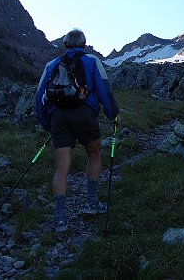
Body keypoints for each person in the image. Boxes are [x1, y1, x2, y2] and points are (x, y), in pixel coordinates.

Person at [36, 29, 121, 233]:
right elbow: (104, 89)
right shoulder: (92, 61)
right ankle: (92, 203)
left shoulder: (52, 65)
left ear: (65, 45)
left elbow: (40, 95)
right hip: (84, 115)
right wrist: (114, 115)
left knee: (61, 167)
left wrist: (48, 123)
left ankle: (60, 218)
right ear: (84, 44)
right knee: (94, 153)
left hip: (59, 117)